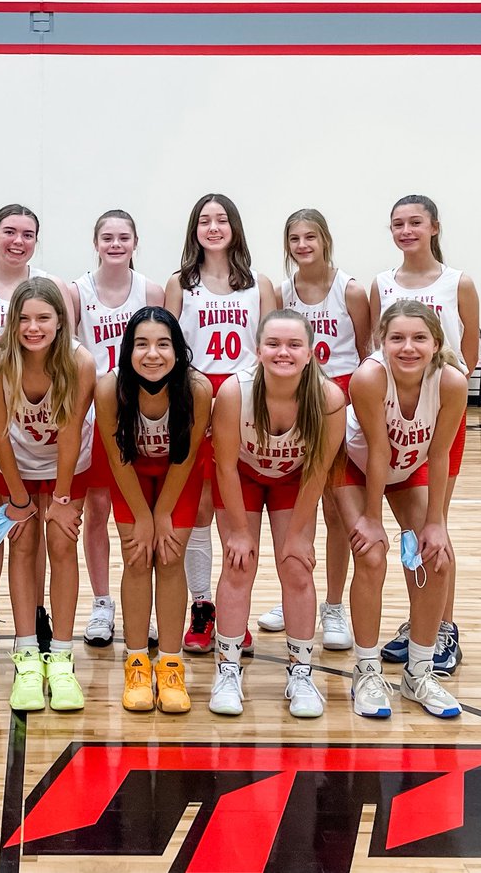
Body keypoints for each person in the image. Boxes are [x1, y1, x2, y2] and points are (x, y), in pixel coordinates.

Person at [335, 301, 467, 719]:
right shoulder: (369, 378)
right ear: (382, 342)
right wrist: (372, 519)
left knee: (437, 558)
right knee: (372, 556)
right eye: (397, 338)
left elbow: (441, 455)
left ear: (436, 343)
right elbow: (377, 451)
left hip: (410, 467)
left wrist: (436, 523)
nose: (407, 347)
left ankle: (419, 673)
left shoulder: (452, 382)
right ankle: (367, 671)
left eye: (419, 338)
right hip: (356, 464)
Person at [210, 311, 346, 717]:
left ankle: (301, 672)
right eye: (273, 344)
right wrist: (238, 529)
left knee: (297, 567)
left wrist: (300, 534)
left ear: (310, 353)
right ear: (258, 350)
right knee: (238, 564)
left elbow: (319, 469)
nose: (282, 352)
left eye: (293, 345)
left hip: (293, 479)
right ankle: (228, 668)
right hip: (243, 477)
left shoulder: (329, 398)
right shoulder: (235, 393)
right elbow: (224, 466)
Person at [0, 205, 71, 662]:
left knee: (36, 523)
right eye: (9, 232)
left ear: (36, 241)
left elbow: (67, 351)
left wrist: (27, 403)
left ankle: (37, 613)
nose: (17, 241)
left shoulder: (53, 287)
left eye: (27, 234)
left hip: (42, 417)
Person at [371, 195, 479, 675]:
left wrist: (441, 400)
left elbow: (467, 355)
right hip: (394, 415)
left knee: (435, 524)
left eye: (416, 222)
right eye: (398, 223)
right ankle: (421, 621)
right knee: (412, 528)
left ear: (435, 226)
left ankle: (444, 629)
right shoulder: (381, 283)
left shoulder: (460, 283)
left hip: (439, 418)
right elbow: (371, 349)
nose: (407, 230)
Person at [164, 194, 275, 653]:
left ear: (235, 227)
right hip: (194, 398)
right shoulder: (180, 284)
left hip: (244, 398)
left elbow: (272, 349)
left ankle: (234, 613)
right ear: (194, 229)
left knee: (235, 511)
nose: (213, 227)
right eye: (205, 220)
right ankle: (203, 606)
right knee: (199, 510)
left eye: (221, 219)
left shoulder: (260, 284)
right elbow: (167, 349)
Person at [257, 209, 370, 653]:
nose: (302, 245)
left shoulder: (352, 290)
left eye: (310, 237)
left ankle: (335, 605)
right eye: (294, 238)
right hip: (296, 398)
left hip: (338, 398)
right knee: (293, 502)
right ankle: (294, 589)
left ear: (325, 240)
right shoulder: (284, 292)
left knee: (336, 508)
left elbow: (366, 352)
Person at [0, 278, 96, 711]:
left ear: (60, 322)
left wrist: (62, 501)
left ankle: (62, 657)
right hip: (17, 466)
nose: (33, 327)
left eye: (43, 318)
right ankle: (28, 654)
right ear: (12, 322)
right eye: (24, 318)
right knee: (23, 546)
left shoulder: (79, 362)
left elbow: (69, 436)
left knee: (64, 544)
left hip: (69, 465)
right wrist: (19, 499)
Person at [95, 308, 212, 713]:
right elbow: (116, 458)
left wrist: (161, 514)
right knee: (137, 557)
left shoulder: (197, 388)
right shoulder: (110, 388)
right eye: (141, 344)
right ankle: (137, 663)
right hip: (130, 472)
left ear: (178, 351)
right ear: (127, 350)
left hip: (177, 473)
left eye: (163, 344)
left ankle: (171, 664)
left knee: (170, 555)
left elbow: (188, 455)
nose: (152, 354)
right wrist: (143, 518)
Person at [70, 210, 164, 649]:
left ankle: (140, 610)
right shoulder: (76, 292)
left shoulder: (151, 290)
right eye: (107, 237)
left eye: (123, 237)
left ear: (135, 241)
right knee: (97, 511)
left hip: (141, 417)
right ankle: (103, 603)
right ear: (95, 241)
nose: (115, 244)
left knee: (139, 510)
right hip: (94, 415)